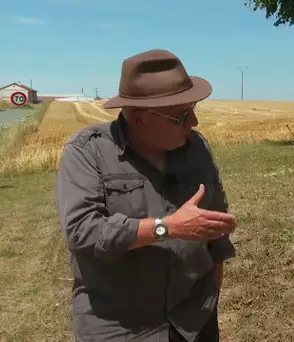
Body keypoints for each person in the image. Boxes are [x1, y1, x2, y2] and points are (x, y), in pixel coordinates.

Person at [55, 49, 238, 342]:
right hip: (121, 328)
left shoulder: (197, 149)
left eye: (192, 109)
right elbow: (82, 231)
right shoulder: (88, 152)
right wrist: (167, 227)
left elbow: (216, 230)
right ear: (138, 118)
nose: (193, 122)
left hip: (193, 321)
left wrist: (210, 300)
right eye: (181, 115)